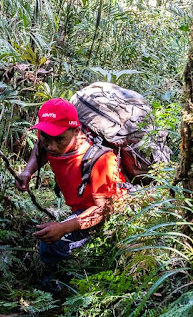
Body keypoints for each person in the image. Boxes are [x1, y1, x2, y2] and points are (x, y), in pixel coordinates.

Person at [16, 98, 126, 268]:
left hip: (107, 214)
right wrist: (27, 171)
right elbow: (41, 147)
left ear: (76, 132)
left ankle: (61, 284)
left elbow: (104, 209)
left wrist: (64, 228)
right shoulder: (50, 141)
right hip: (82, 208)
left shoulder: (101, 159)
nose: (51, 146)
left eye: (59, 139)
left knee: (51, 246)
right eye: (46, 137)